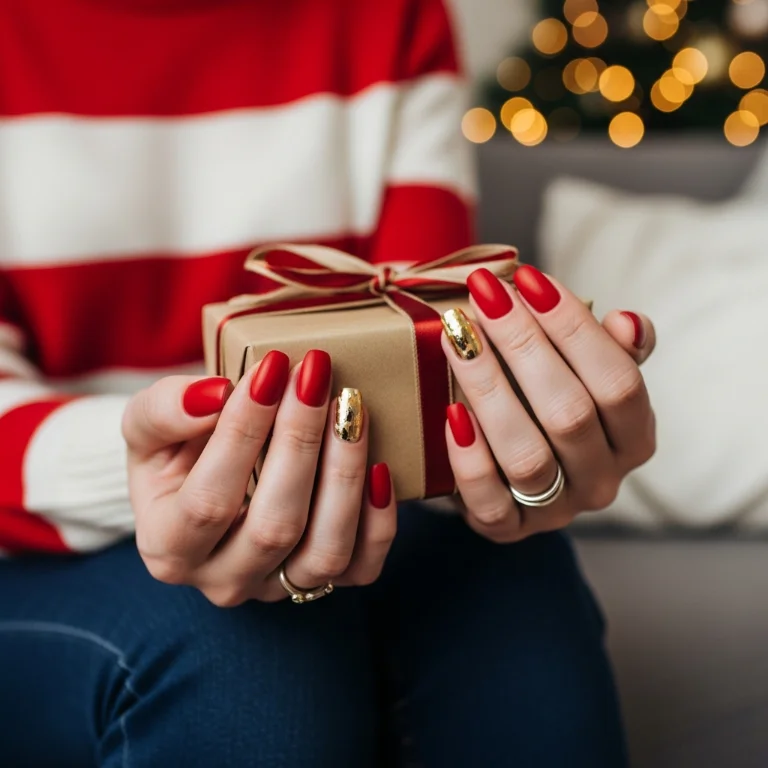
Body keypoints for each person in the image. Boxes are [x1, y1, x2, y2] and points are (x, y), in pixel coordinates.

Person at [0, 0, 656, 765]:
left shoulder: (393, 16)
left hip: (353, 508)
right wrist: (168, 463)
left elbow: (419, 343)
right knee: (239, 653)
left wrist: (515, 447)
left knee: (507, 583)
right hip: (36, 551)